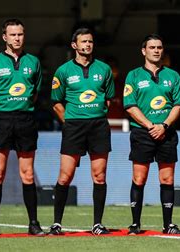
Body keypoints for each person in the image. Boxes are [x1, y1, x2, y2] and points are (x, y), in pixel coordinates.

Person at [0, 18, 44, 236]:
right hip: (1, 121)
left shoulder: (33, 62)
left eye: (20, 34)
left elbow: (35, 93)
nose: (17, 38)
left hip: (26, 120)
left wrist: (21, 108)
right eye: (13, 34)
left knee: (27, 175)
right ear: (4, 37)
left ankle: (33, 223)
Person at [48, 27, 115, 235]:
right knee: (65, 176)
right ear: (74, 45)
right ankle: (57, 223)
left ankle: (97, 224)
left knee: (99, 176)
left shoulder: (104, 69)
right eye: (84, 41)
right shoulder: (63, 71)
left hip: (98, 126)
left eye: (90, 42)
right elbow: (56, 103)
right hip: (74, 127)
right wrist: (69, 122)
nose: (88, 45)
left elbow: (109, 99)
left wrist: (97, 115)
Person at [124, 34, 180, 235]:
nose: (156, 50)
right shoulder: (133, 76)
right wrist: (151, 126)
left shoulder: (173, 76)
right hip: (142, 133)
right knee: (139, 178)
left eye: (159, 47)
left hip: (166, 133)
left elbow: (178, 105)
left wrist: (164, 125)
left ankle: (168, 225)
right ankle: (135, 224)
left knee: (167, 179)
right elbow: (130, 106)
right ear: (144, 51)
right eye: (152, 47)